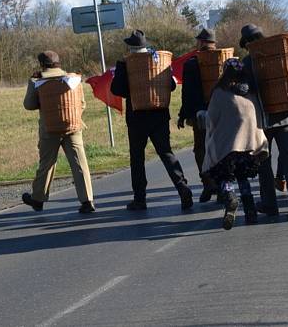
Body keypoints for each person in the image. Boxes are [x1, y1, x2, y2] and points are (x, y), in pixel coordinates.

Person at [111, 30, 194, 212]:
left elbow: (117, 89)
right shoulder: (159, 61)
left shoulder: (126, 64)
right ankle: (183, 188)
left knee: (137, 158)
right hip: (159, 115)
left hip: (137, 117)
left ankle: (140, 199)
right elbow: (171, 86)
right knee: (166, 153)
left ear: (130, 47)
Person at [240, 24, 288, 221]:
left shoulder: (247, 62)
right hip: (287, 116)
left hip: (263, 119)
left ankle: (270, 204)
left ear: (247, 44)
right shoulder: (282, 55)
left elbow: (247, 91)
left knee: (263, 161)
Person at [198, 58, 269, 230]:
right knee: (243, 177)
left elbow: (212, 119)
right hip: (250, 145)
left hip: (228, 147)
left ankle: (230, 197)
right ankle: (250, 210)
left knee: (224, 175)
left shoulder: (220, 92)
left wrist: (202, 117)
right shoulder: (250, 92)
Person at [22, 51, 95, 214]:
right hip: (73, 126)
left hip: (49, 128)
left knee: (47, 163)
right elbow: (82, 103)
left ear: (41, 64)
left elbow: (29, 104)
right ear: (58, 62)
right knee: (79, 163)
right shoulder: (73, 79)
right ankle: (87, 200)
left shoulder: (37, 81)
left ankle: (38, 199)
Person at [177, 28, 220, 202]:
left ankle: (208, 183)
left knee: (201, 149)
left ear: (201, 43)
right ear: (214, 43)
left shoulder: (192, 63)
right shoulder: (222, 60)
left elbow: (187, 93)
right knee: (220, 148)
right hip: (221, 113)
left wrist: (183, 114)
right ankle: (223, 184)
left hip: (199, 115)